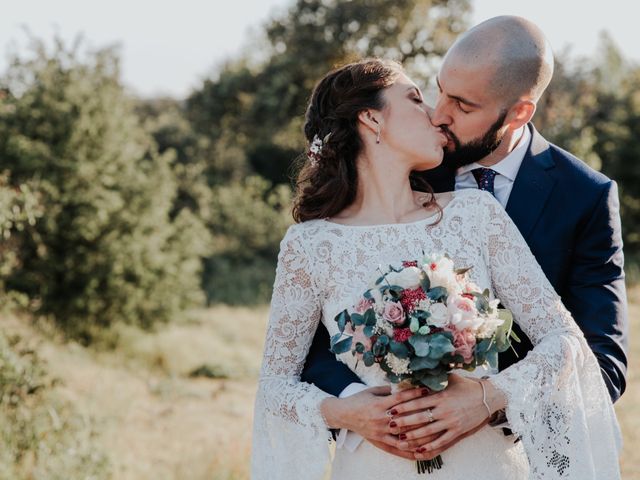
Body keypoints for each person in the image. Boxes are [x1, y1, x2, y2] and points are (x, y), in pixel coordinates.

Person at [251, 57, 621, 479]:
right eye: (415, 99)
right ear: (372, 119)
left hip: (487, 462)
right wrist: (346, 412)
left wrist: (487, 396)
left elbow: (565, 340)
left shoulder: (474, 214)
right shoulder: (309, 244)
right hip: (374, 466)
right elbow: (275, 385)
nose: (436, 117)